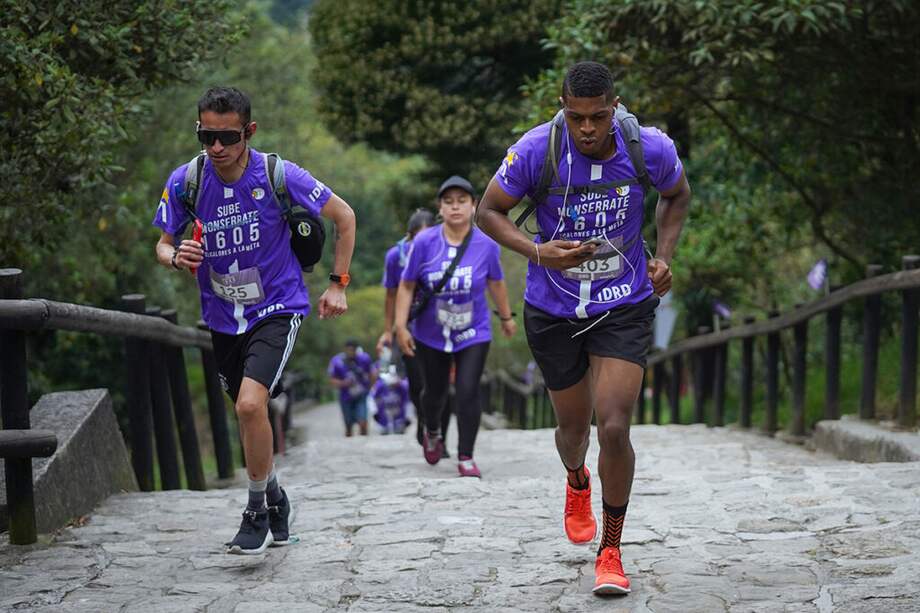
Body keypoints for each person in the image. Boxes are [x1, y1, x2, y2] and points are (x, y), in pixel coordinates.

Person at [475, 61, 691, 595]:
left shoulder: (649, 148)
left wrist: (664, 256)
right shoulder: (535, 150)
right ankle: (576, 479)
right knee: (573, 432)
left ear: (615, 108)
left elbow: (677, 193)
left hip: (624, 303)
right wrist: (538, 251)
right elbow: (488, 211)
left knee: (613, 426)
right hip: (553, 307)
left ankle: (611, 550)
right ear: (563, 109)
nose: (588, 129)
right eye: (577, 118)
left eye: (598, 117)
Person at [153, 86, 356, 555]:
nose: (216, 147)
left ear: (249, 131)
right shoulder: (187, 180)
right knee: (250, 414)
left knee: (249, 406)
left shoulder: (278, 174)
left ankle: (255, 512)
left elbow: (344, 216)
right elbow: (162, 243)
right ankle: (277, 499)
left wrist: (338, 284)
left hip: (277, 308)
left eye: (227, 137)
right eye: (206, 136)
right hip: (222, 316)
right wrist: (176, 256)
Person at [395, 176, 517, 478]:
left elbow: (496, 282)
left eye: (462, 201)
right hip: (430, 331)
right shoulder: (424, 243)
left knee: (467, 390)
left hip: (473, 330)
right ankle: (432, 430)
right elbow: (406, 286)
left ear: (474, 205)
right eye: (448, 202)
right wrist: (400, 327)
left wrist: (506, 317)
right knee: (434, 393)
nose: (455, 207)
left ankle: (466, 456)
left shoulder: (486, 245)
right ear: (440, 208)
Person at [377, 209, 453, 452]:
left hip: (443, 327)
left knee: (444, 386)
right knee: (418, 385)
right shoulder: (395, 257)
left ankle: (440, 439)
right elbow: (391, 296)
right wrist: (388, 330)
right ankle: (425, 420)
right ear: (409, 236)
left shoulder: (446, 251)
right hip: (409, 330)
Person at [328, 340, 377, 437]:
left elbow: (372, 374)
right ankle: (349, 442)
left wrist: (370, 387)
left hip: (361, 394)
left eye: (353, 350)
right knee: (348, 425)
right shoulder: (337, 361)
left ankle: (364, 441)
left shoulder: (364, 359)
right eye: (348, 350)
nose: (350, 352)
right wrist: (343, 383)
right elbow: (332, 379)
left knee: (362, 422)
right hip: (345, 396)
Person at [371, 367, 411, 434]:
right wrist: (374, 412)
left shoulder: (403, 387)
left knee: (399, 430)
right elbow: (372, 399)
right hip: (384, 414)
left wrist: (408, 416)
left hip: (398, 414)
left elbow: (408, 402)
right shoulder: (380, 386)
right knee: (383, 430)